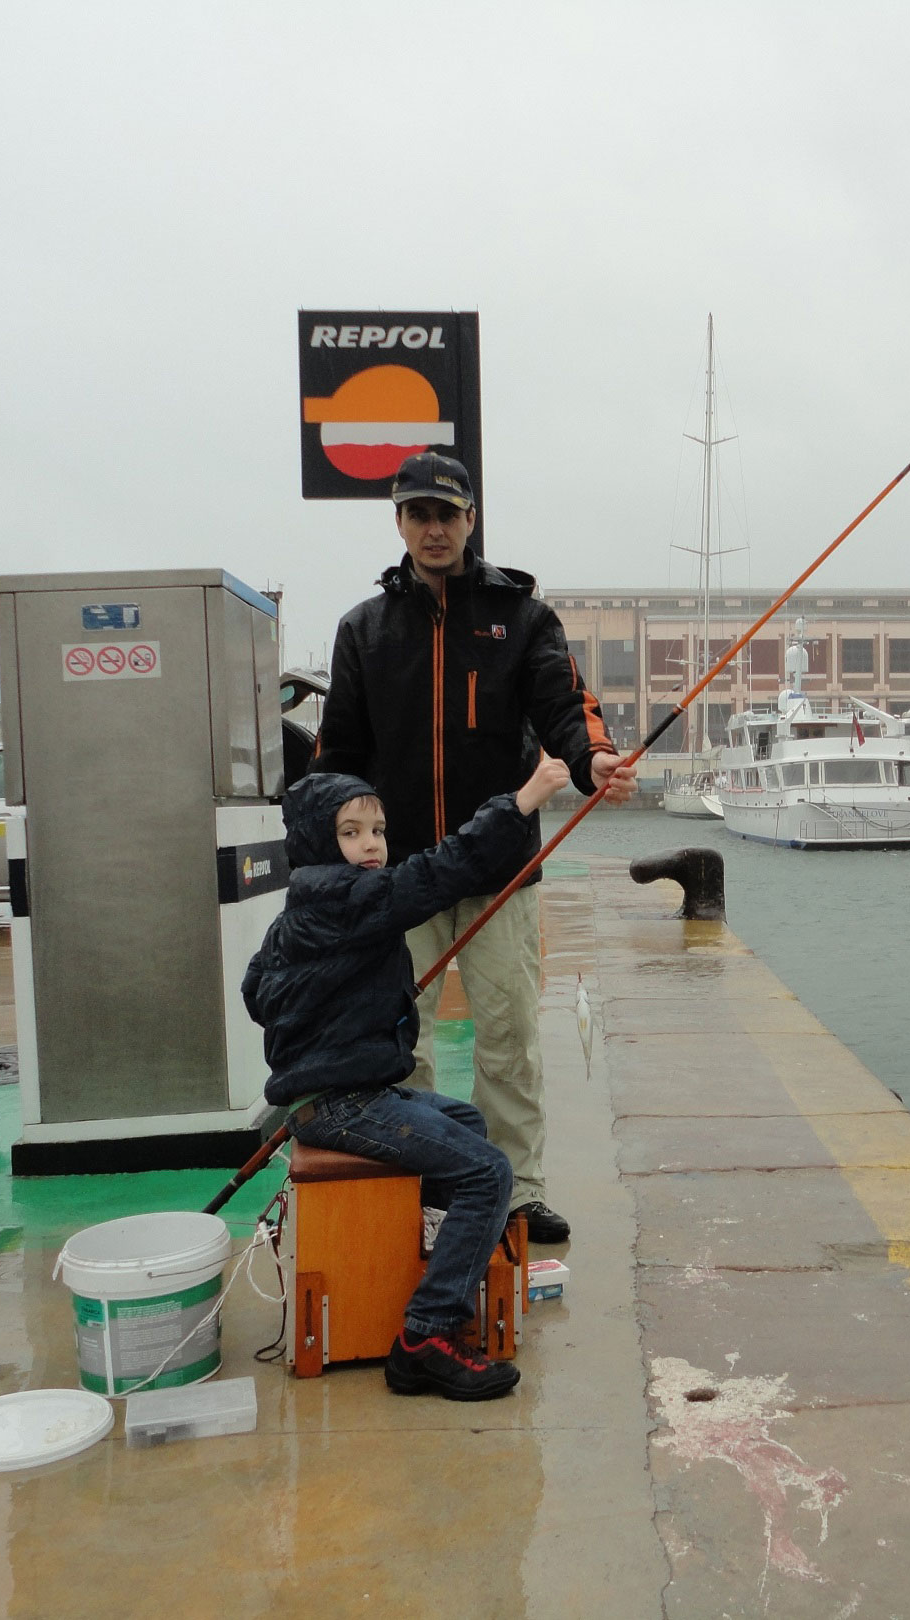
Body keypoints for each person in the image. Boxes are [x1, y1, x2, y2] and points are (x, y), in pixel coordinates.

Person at [312, 451, 635, 1245]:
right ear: (399, 522)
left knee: (510, 1035)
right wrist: (331, 851)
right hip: (401, 876)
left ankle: (518, 1187)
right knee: (397, 1040)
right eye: (417, 514)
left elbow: (566, 705)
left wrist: (595, 759)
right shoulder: (362, 629)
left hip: (499, 870)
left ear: (470, 520)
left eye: (446, 514)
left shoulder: (522, 618)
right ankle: (420, 1183)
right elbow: (339, 754)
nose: (433, 528)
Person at [241, 758, 573, 1400]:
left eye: (377, 831)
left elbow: (258, 991)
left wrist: (340, 997)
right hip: (341, 1102)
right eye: (350, 832)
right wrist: (524, 799)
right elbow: (443, 869)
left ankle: (435, 1261)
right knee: (489, 1172)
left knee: (465, 1122)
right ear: (317, 843)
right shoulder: (351, 899)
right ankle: (427, 1335)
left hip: (339, 1089)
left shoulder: (302, 909)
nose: (370, 844)